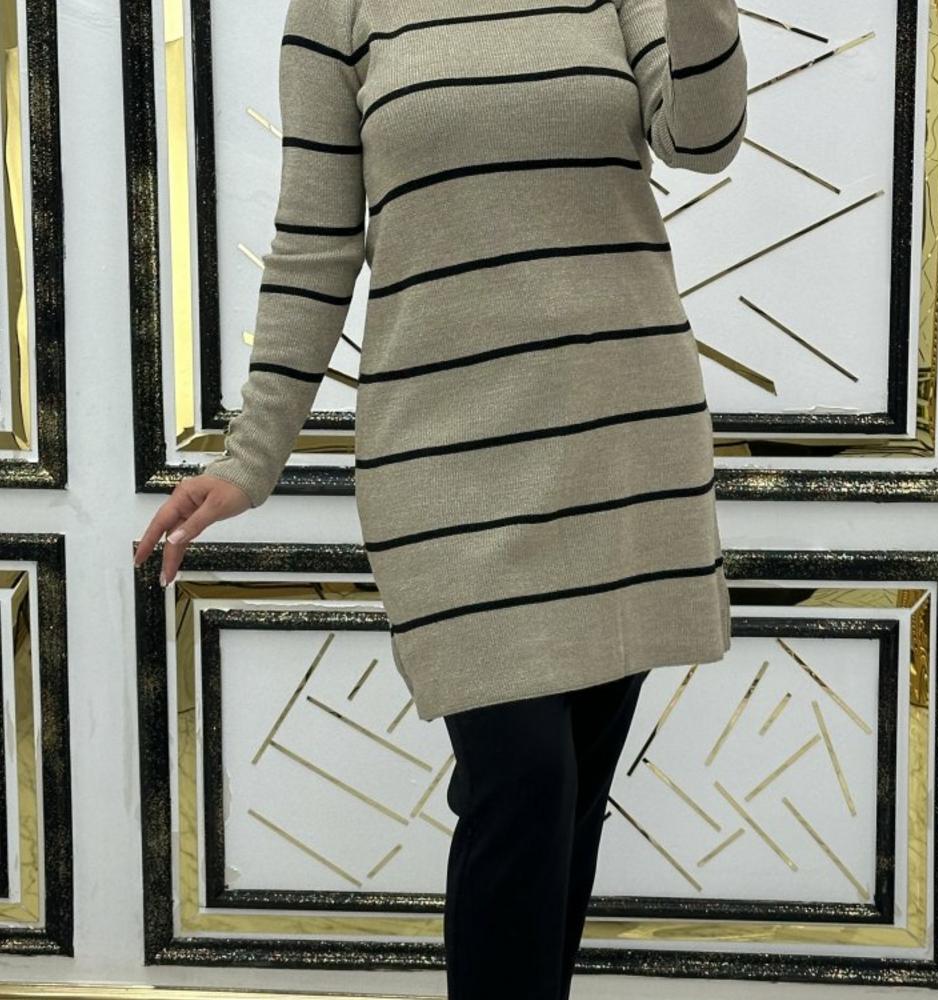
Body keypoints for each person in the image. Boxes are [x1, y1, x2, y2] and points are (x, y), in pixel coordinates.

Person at [136, 0, 746, 994]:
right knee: (523, 782)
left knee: (567, 803)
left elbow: (703, 139)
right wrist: (252, 456)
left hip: (621, 447)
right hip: (443, 461)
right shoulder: (340, 8)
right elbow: (315, 238)